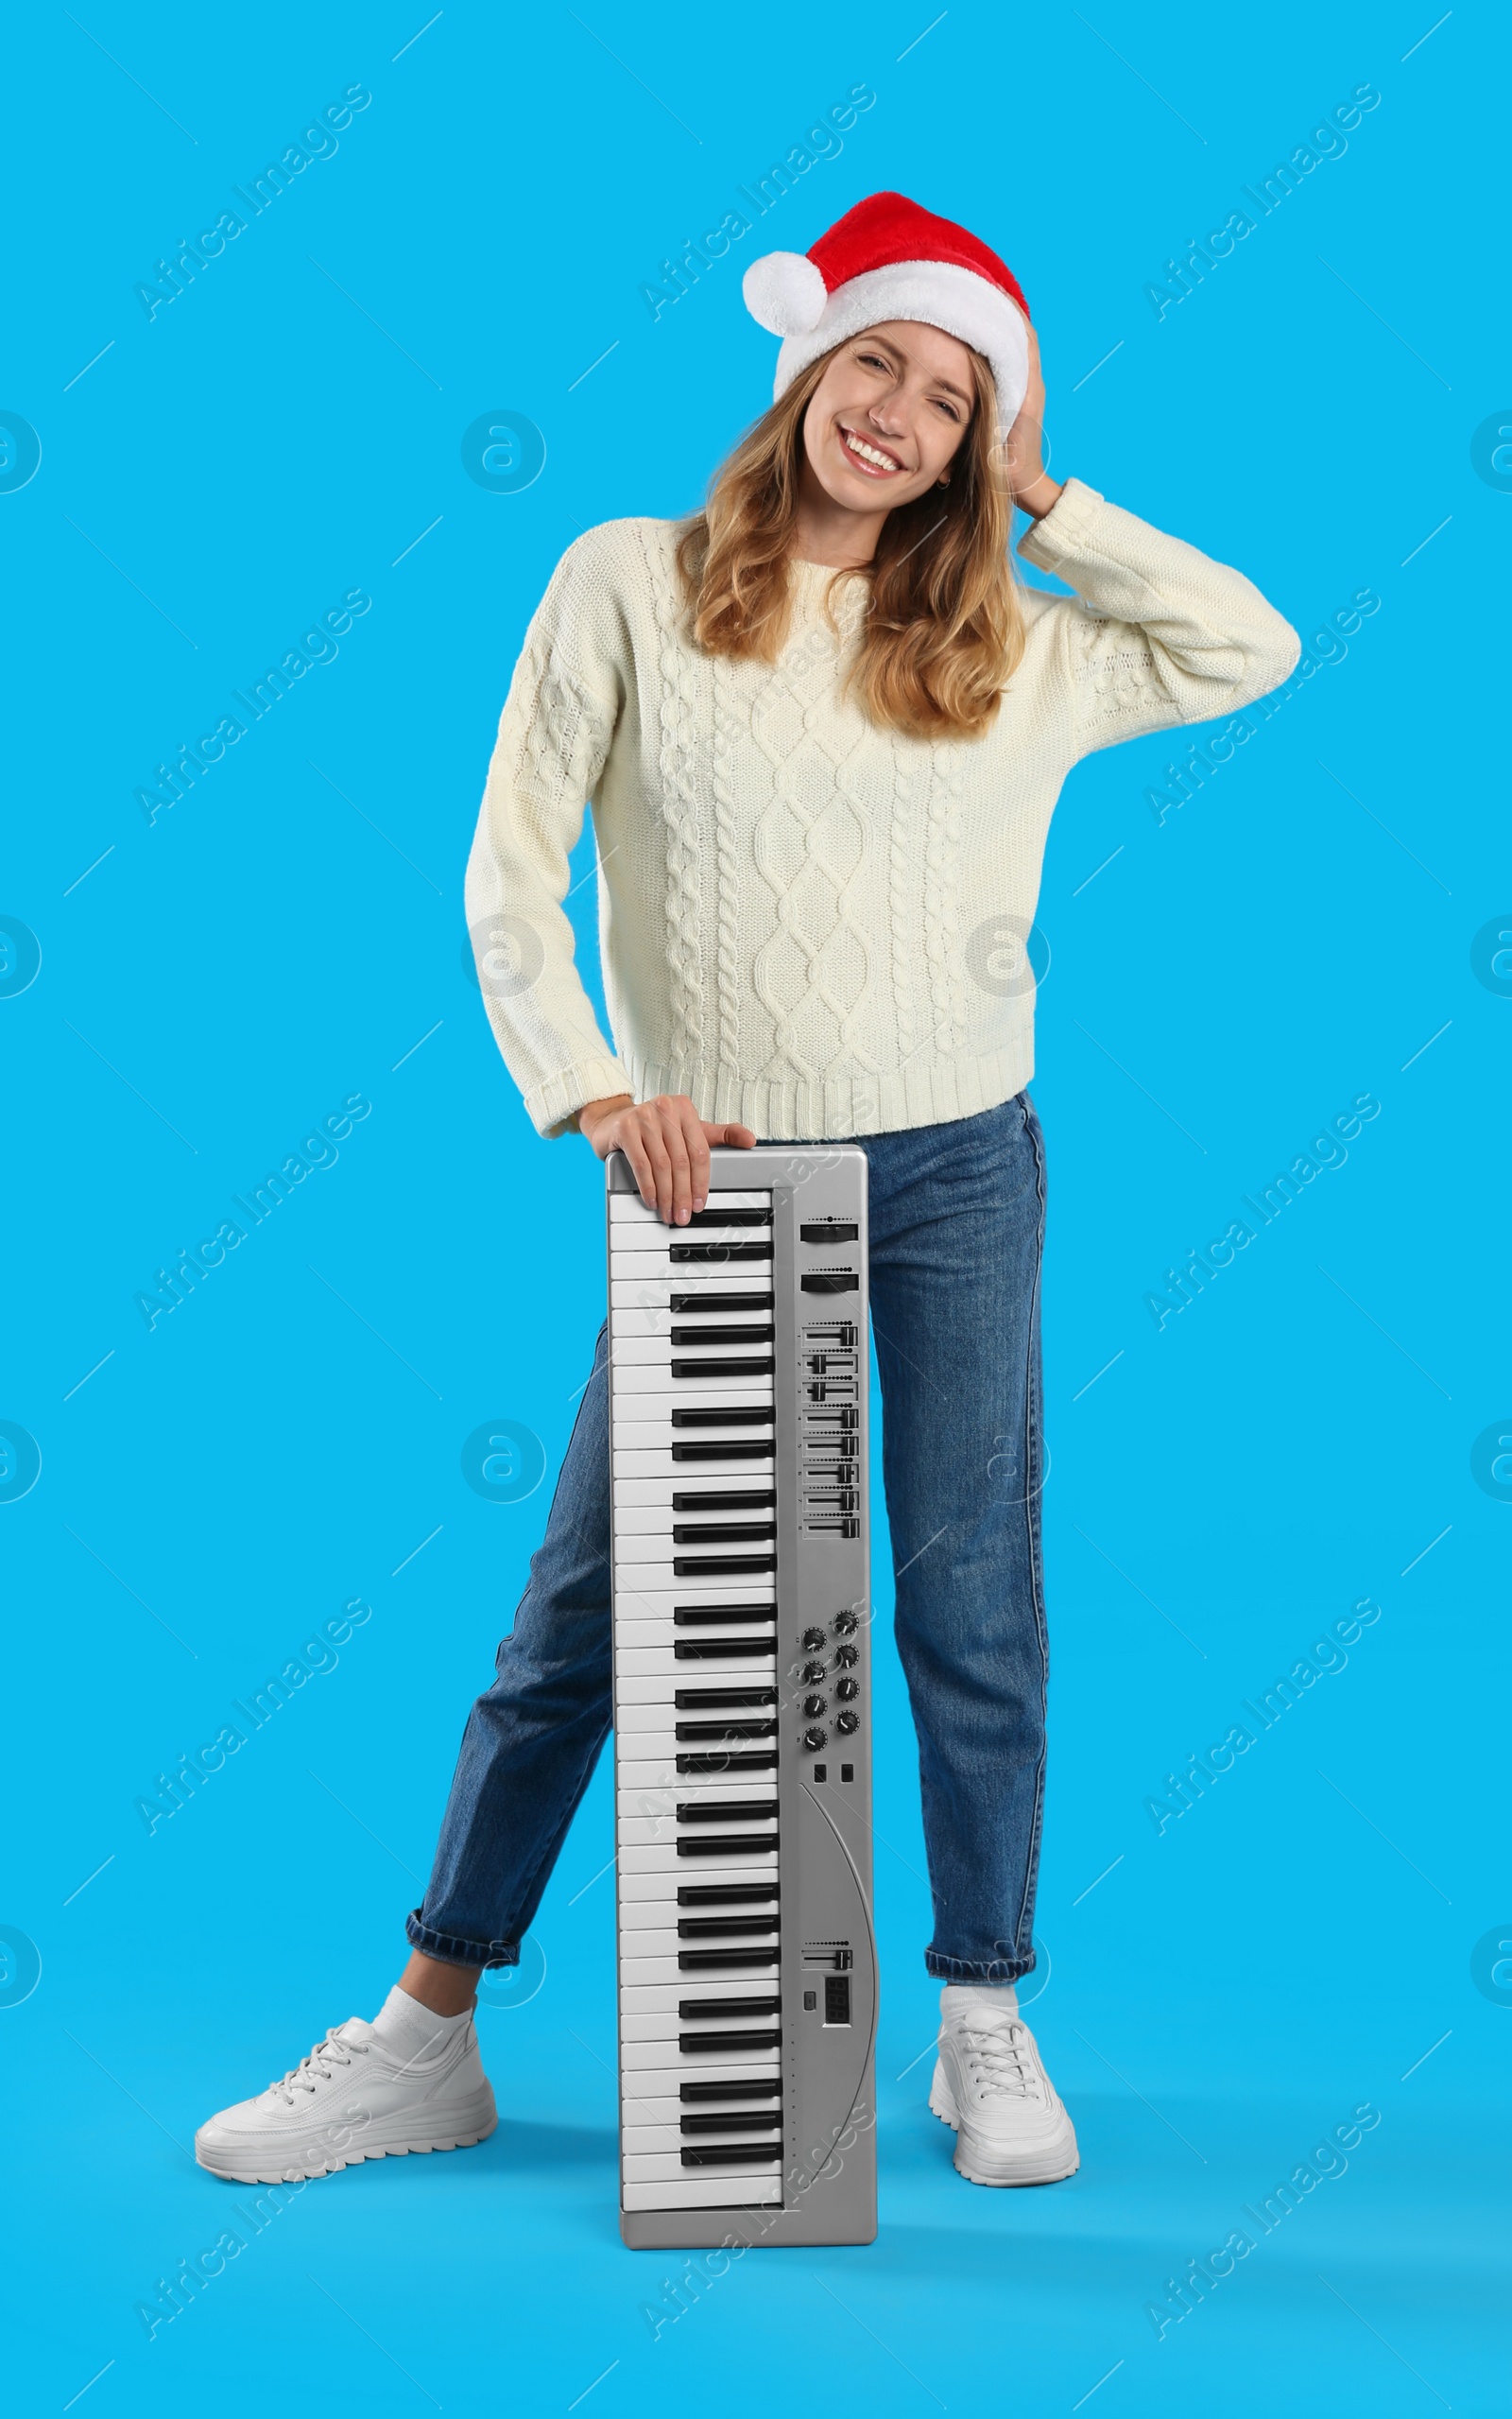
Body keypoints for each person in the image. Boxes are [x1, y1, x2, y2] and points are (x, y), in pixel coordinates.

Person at [197, 192, 1298, 2193]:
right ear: (803, 365)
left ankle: (979, 2019)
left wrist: (1051, 494)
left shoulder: (1010, 648)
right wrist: (592, 1089)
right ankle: (424, 2031)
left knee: (969, 1595)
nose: (896, 412)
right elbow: (506, 874)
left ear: (981, 445)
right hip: (718, 1180)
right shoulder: (623, 580)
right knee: (581, 1614)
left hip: (960, 1162)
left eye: (950, 398)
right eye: (874, 359)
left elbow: (1249, 641)